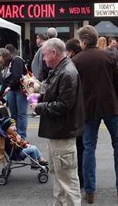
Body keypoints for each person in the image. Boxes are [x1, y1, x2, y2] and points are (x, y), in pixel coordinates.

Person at [72, 25, 118, 204]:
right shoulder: (108, 56)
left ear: (84, 41)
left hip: (88, 110)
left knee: (88, 149)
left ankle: (90, 191)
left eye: (80, 40)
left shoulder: (76, 60)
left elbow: (74, 88)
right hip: (110, 107)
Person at [32, 38, 84, 205]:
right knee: (61, 176)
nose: (44, 59)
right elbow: (53, 92)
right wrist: (39, 92)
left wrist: (38, 107)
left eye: (45, 55)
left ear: (54, 53)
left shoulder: (67, 72)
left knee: (67, 179)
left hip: (63, 131)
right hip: (58, 132)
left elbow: (63, 105)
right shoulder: (61, 69)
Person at [64, 37, 85, 189]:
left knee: (79, 146)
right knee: (84, 146)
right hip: (86, 107)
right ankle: (84, 178)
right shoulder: (80, 60)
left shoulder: (73, 63)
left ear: (70, 51)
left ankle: (80, 178)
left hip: (78, 109)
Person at [0, 48, 28, 139]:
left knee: (21, 114)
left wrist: (9, 86)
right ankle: (15, 134)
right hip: (12, 90)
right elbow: (3, 81)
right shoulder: (5, 65)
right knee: (13, 113)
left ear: (3, 56)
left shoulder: (16, 60)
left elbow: (17, 76)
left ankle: (21, 136)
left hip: (20, 90)